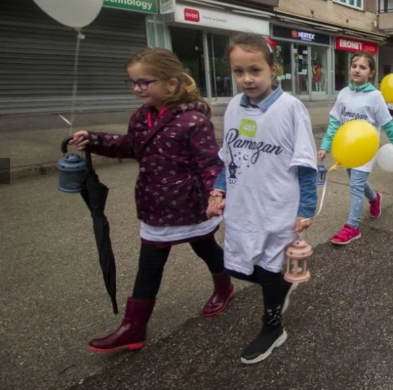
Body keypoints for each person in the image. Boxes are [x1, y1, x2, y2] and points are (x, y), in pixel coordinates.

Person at [70, 49, 229, 353]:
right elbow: (131, 146)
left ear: (172, 83)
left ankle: (224, 288)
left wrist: (216, 194)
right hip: (154, 201)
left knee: (206, 248)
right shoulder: (140, 117)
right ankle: (134, 327)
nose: (137, 88)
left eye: (145, 82)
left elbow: (210, 163)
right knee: (150, 262)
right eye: (132, 82)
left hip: (190, 203)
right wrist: (95, 139)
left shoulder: (194, 121)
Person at [207, 33, 317, 365]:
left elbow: (306, 164)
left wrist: (306, 208)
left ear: (273, 69)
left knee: (268, 267)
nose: (247, 79)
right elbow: (228, 158)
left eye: (255, 70)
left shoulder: (290, 109)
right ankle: (281, 285)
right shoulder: (232, 108)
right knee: (237, 265)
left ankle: (273, 327)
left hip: (277, 208)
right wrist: (219, 190)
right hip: (242, 207)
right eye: (238, 71)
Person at [319, 53, 393, 245]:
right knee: (355, 180)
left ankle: (352, 227)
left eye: (363, 67)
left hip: (366, 148)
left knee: (356, 184)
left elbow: (388, 125)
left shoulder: (375, 97)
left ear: (371, 72)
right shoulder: (343, 94)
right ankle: (375, 198)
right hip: (347, 148)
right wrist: (325, 146)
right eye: (354, 66)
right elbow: (334, 123)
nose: (357, 70)